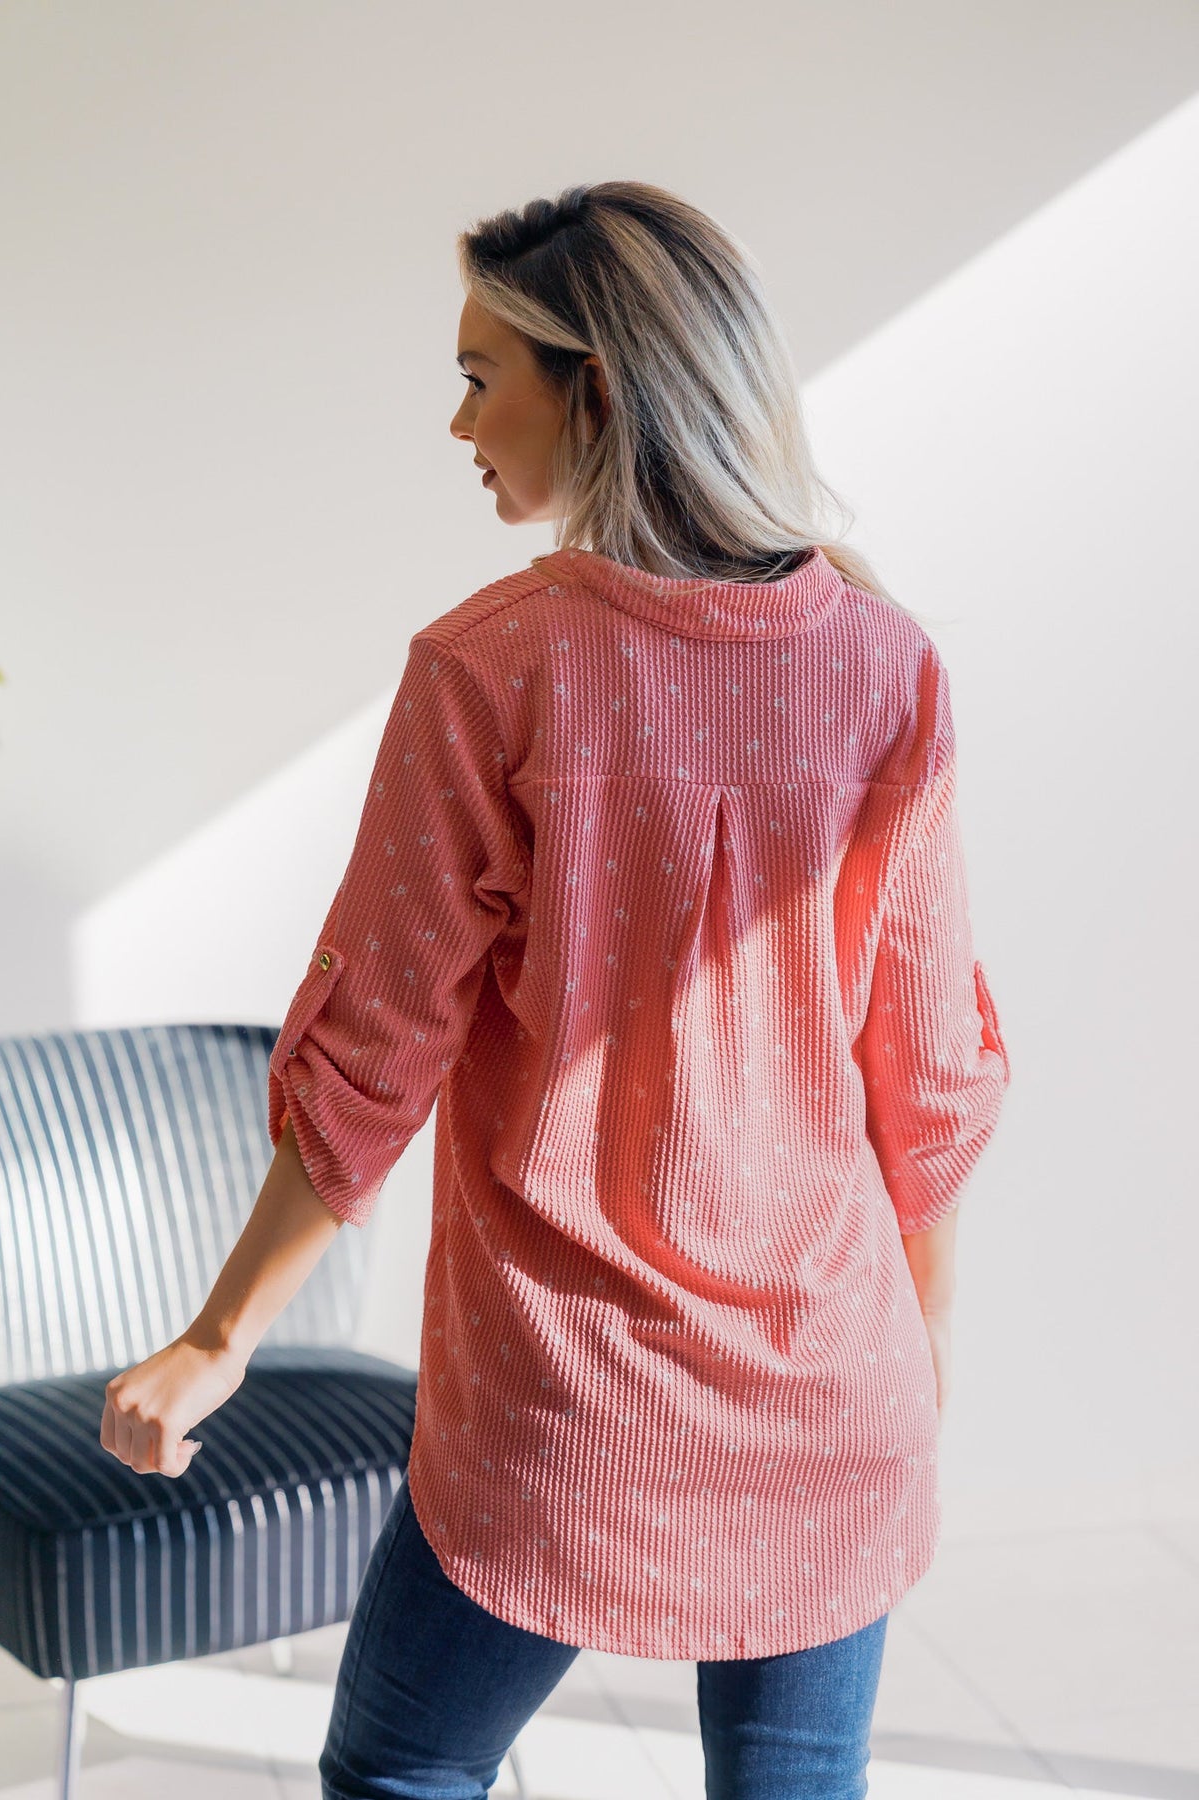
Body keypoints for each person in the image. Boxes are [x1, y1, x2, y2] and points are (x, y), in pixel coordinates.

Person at [101, 180, 1011, 1799]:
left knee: (400, 1775)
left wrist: (217, 1339)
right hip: (832, 1390)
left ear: (595, 389)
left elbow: (375, 1051)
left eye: (478, 377)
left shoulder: (492, 669)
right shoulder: (887, 666)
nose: (457, 423)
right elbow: (930, 1076)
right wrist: (924, 1342)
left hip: (563, 1406)